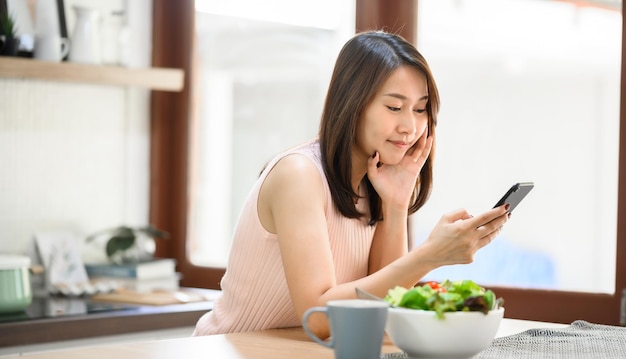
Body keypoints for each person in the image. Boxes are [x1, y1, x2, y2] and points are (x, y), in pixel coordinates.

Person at [193, 30, 509, 339]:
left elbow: (382, 309)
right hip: (228, 358)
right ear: (353, 104)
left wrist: (396, 205)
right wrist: (429, 255)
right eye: (394, 107)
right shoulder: (299, 175)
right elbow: (320, 319)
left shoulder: (374, 182)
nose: (410, 126)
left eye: (420, 109)